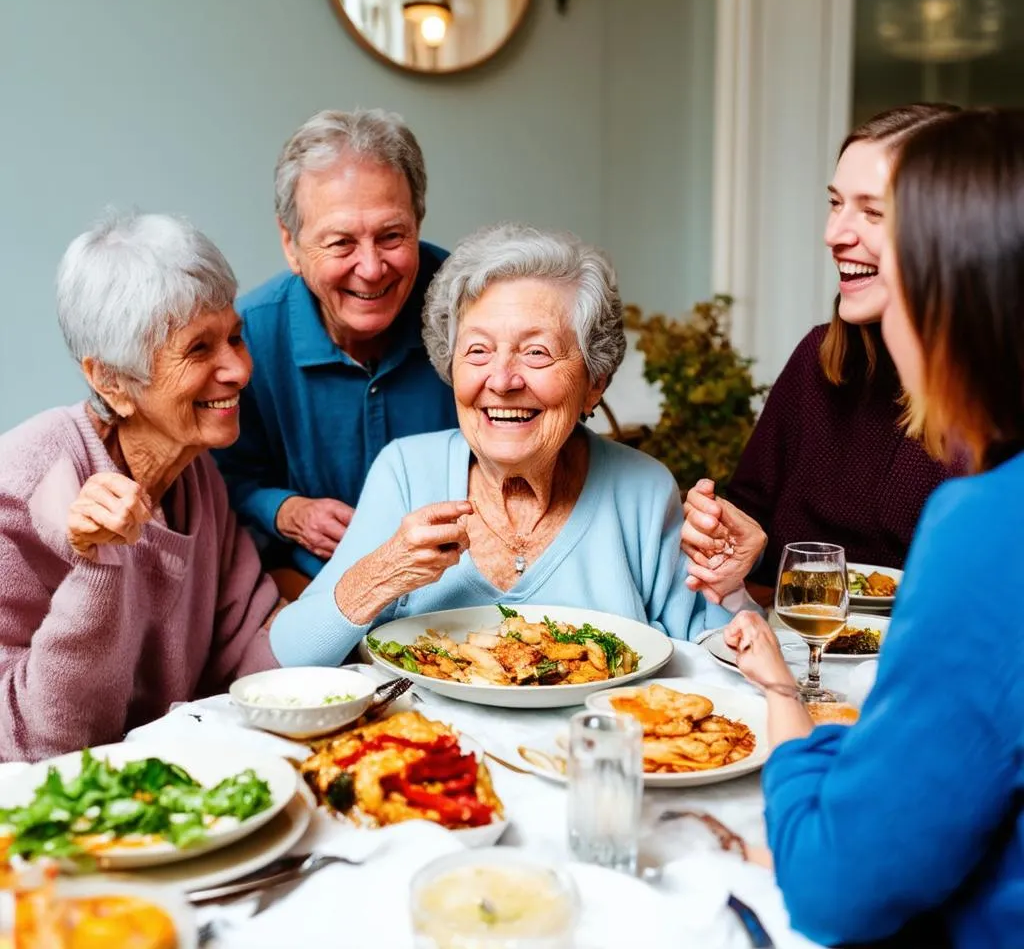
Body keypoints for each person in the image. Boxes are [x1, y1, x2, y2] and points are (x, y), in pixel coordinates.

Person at [725, 108, 1024, 948]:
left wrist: (788, 709)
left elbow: (833, 887)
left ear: (953, 284)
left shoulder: (989, 528)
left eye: (888, 230)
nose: (837, 237)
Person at [270, 224, 753, 667]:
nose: (501, 380)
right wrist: (383, 572)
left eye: (536, 352)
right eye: (477, 351)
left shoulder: (641, 489)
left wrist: (730, 592)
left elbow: (713, 656)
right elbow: (293, 653)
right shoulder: (406, 470)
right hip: (429, 754)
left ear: (594, 382)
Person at [0, 213, 280, 762]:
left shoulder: (197, 473)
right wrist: (97, 565)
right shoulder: (23, 485)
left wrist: (362, 599)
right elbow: (35, 744)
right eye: (199, 349)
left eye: (235, 336)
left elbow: (246, 646)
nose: (239, 370)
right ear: (111, 381)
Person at [682, 104, 961, 595]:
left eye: (873, 212)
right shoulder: (819, 359)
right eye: (836, 203)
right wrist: (733, 539)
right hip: (792, 655)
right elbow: (755, 525)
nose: (834, 235)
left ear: (952, 233)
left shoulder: (995, 405)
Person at [213, 109, 458, 583]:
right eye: (341, 243)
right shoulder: (247, 341)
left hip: (461, 586)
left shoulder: (473, 310)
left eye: (391, 236)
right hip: (311, 584)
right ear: (291, 244)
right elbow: (219, 481)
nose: (371, 268)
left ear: (418, 221)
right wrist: (286, 510)